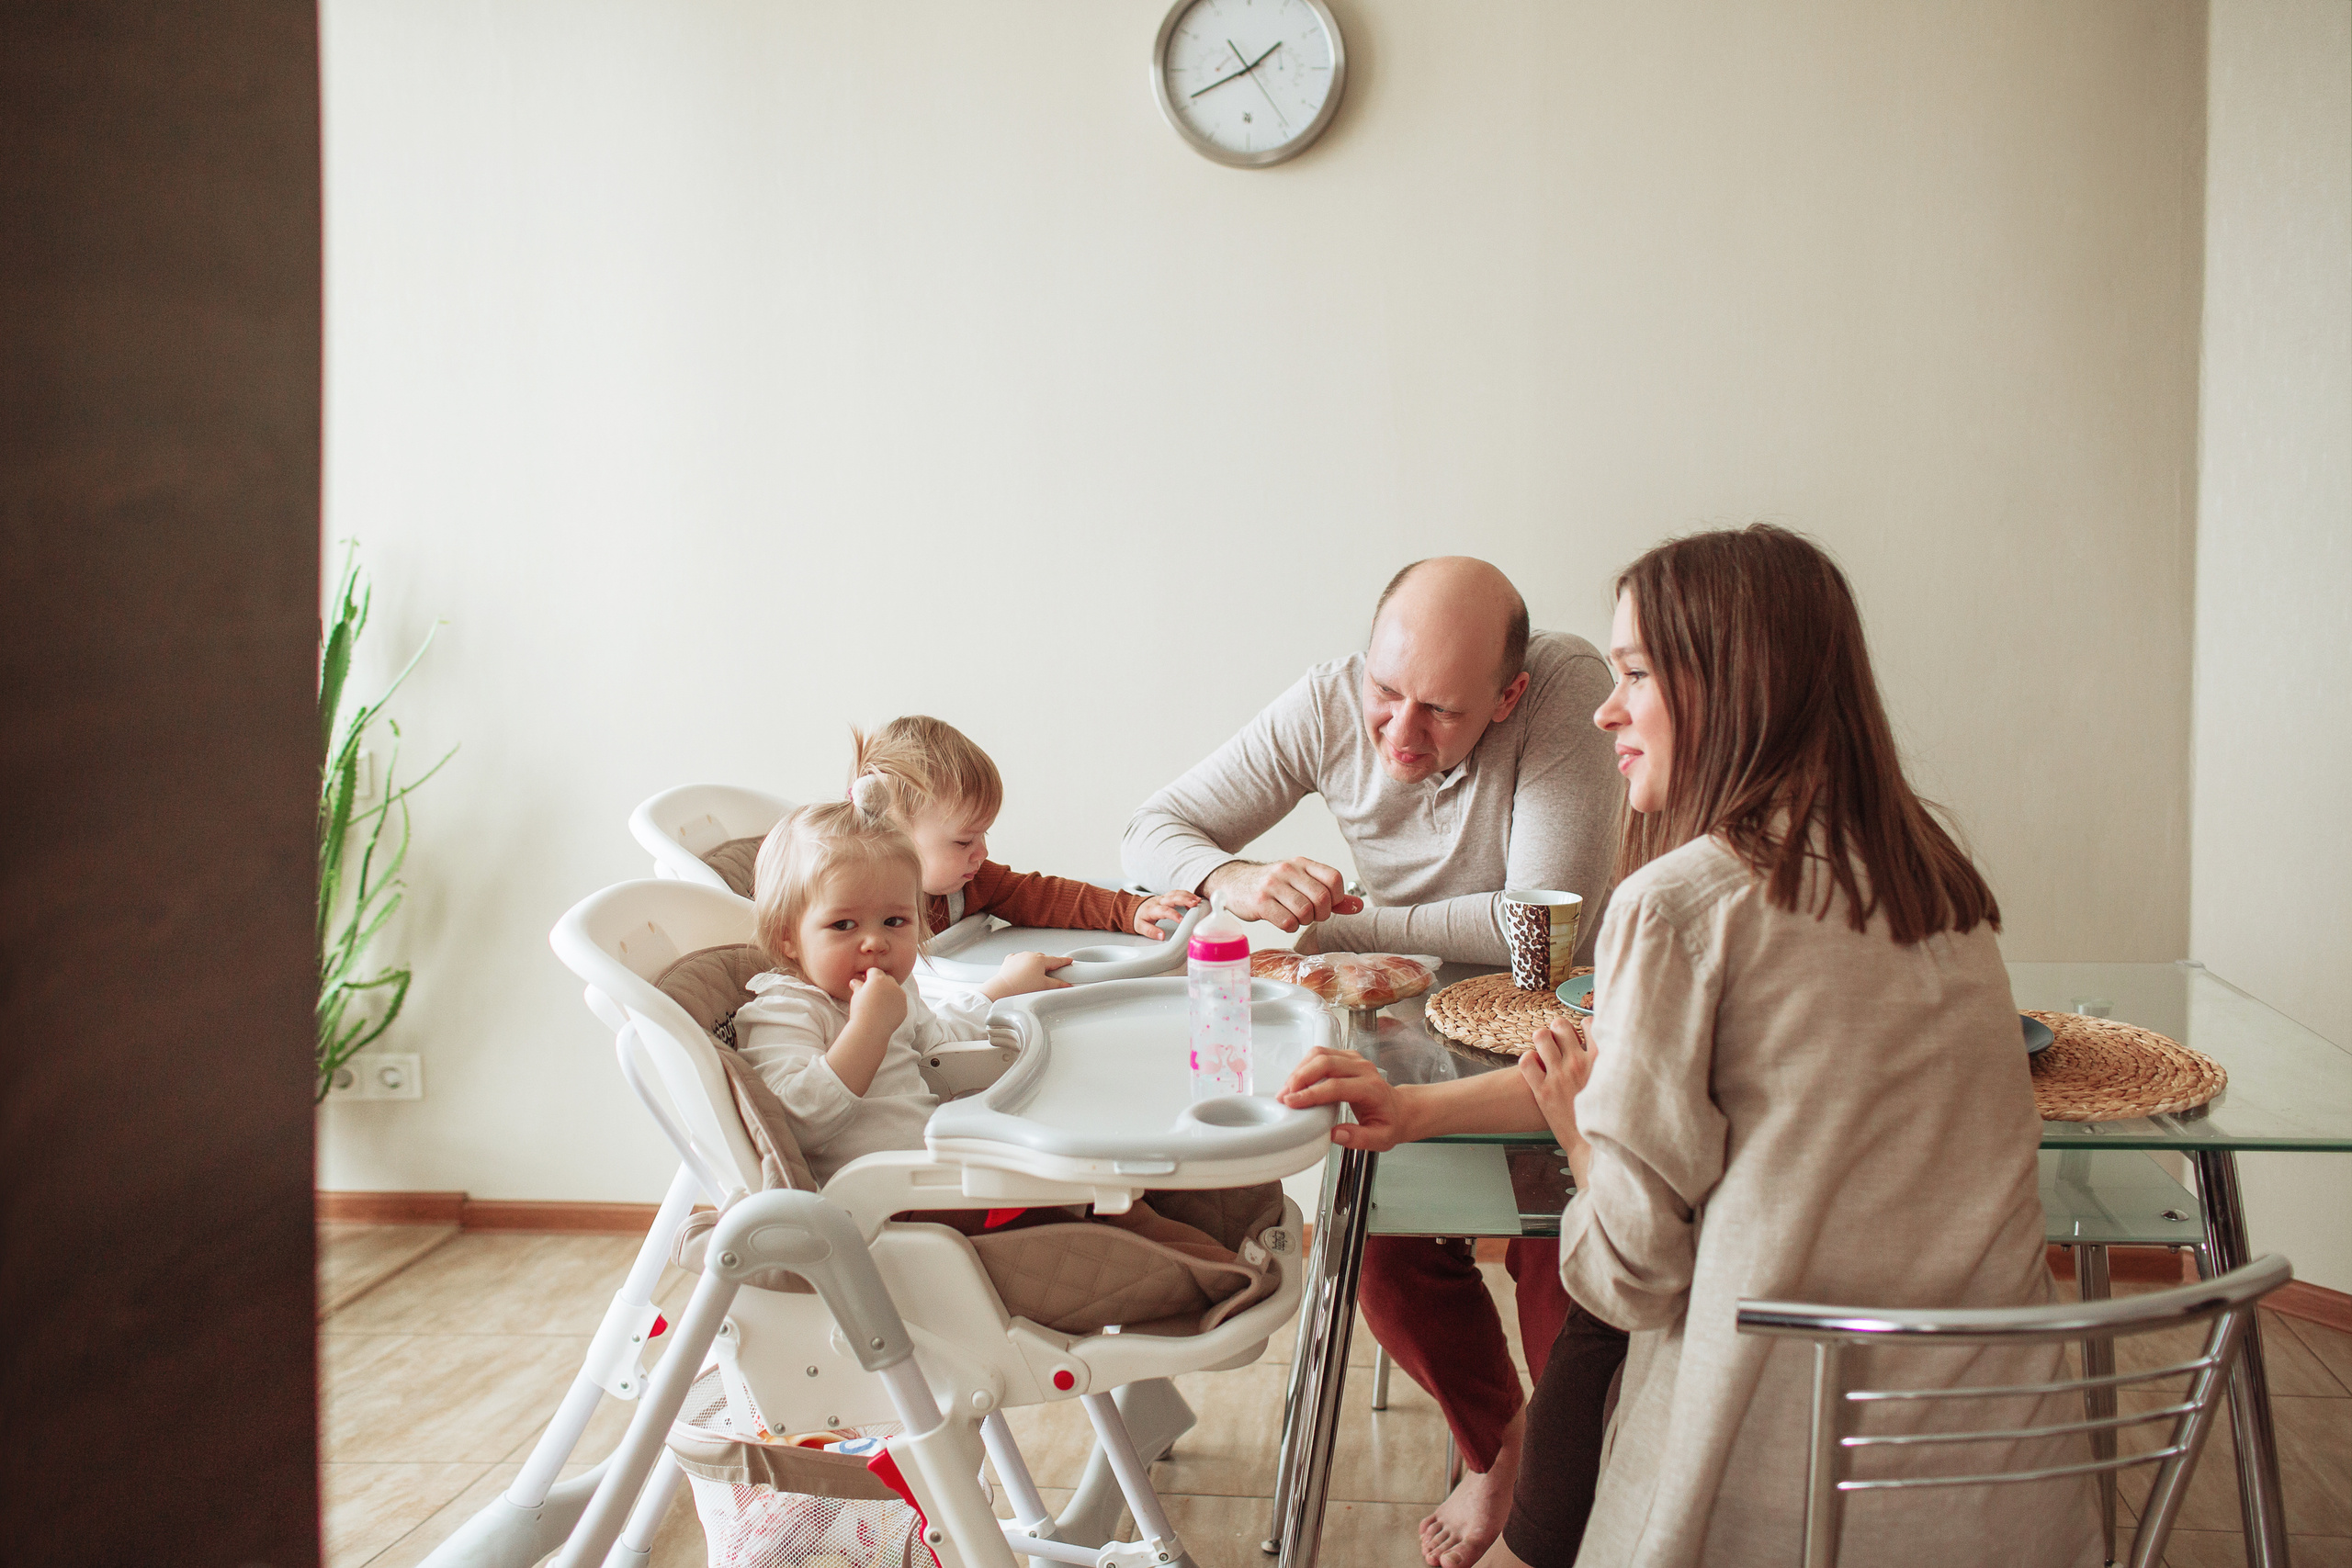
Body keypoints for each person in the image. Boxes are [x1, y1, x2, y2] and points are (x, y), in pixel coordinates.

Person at [1279, 525, 2099, 1568]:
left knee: (1582, 1349)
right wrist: (1428, 1110)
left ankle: (1517, 1498)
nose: (1604, 709)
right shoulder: (1931, 882)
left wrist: (1583, 1144)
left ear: (1728, 688)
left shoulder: (1680, 905)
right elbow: (1628, 1069)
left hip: (1781, 1467)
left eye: (1631, 674)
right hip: (1997, 1468)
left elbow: (1630, 1268)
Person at [1123, 558, 1626, 1568]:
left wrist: (1340, 923)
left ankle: (1582, 1497)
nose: (1398, 735)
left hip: (1559, 1025)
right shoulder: (1326, 701)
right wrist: (1239, 871)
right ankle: (1499, 1444)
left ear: (1508, 695)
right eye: (1385, 694)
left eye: (1439, 711)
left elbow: (1537, 927)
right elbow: (1148, 832)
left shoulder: (1566, 683)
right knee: (1382, 1263)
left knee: (1558, 1264)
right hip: (1409, 1026)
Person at [732, 780, 1238, 1262]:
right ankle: (1211, 1273)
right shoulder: (783, 1009)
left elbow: (940, 1042)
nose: (875, 942)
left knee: (1095, 1171)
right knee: (1082, 1210)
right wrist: (868, 1029)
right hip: (890, 1203)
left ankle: (1209, 1247)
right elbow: (796, 1122)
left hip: (943, 1170)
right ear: (787, 938)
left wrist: (999, 991)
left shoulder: (894, 989)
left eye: (896, 921)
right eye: (843, 925)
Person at [857, 715, 1202, 940]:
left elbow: (1041, 895)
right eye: (964, 842)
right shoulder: (848, 907)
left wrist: (1130, 909)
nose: (982, 852)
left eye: (984, 834)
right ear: (892, 837)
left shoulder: (969, 887)